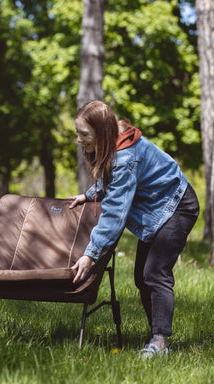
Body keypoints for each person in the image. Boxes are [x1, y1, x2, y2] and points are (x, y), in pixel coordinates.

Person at [68, 100, 199, 358]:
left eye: (84, 135)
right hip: (157, 209)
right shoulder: (115, 144)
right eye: (78, 134)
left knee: (154, 273)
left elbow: (115, 214)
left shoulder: (124, 157)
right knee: (141, 276)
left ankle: (160, 343)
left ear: (102, 132)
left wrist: (90, 254)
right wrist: (89, 195)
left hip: (177, 206)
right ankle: (157, 337)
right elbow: (115, 183)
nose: (80, 140)